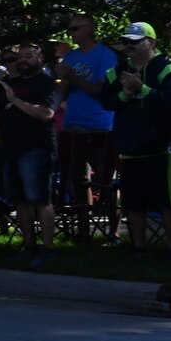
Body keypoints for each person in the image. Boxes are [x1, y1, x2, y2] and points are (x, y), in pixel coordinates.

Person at [99, 23, 171, 248]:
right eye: (127, 41)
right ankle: (138, 248)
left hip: (162, 148)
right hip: (130, 147)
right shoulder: (117, 71)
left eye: (135, 41)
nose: (129, 45)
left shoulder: (167, 68)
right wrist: (125, 93)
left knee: (167, 203)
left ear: (151, 42)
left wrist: (143, 89)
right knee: (132, 203)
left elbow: (169, 103)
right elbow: (106, 101)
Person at [52, 14, 119, 237]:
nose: (71, 33)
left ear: (89, 29)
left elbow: (102, 91)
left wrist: (73, 77)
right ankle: (83, 230)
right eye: (69, 29)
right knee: (77, 180)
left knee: (105, 180)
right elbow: (64, 92)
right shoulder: (71, 57)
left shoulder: (106, 55)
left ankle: (113, 231)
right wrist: (63, 81)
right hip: (72, 126)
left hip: (100, 126)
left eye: (75, 29)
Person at [0, 42, 59, 264]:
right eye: (19, 57)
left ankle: (48, 249)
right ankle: (29, 245)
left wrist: (15, 101)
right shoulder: (8, 83)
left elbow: (46, 113)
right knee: (20, 200)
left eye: (29, 56)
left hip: (37, 148)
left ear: (40, 58)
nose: (23, 60)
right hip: (11, 148)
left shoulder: (46, 83)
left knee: (40, 199)